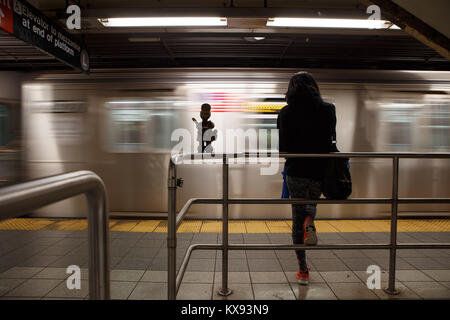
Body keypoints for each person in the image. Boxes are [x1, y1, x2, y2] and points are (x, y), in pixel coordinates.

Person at [277, 72, 337, 285]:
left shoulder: (285, 113)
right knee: (310, 205)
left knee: (296, 218)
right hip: (320, 170)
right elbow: (332, 141)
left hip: (295, 170)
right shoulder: (329, 109)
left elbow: (283, 149)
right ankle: (310, 220)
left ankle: (303, 271)